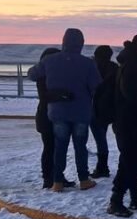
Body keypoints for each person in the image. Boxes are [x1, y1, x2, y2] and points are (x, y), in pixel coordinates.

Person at [27, 28, 101, 192]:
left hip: (58, 112)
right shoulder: (87, 63)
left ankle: (57, 181)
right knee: (80, 147)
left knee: (59, 147)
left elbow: (32, 74)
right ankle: (83, 179)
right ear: (81, 43)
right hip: (81, 112)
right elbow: (96, 85)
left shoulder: (50, 61)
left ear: (63, 41)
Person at [107, 35, 137, 218]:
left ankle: (136, 196)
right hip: (130, 122)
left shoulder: (133, 64)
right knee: (128, 161)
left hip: (134, 122)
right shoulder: (135, 67)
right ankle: (116, 200)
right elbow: (134, 96)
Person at [31, 47, 66, 189]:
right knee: (50, 148)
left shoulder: (53, 74)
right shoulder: (43, 76)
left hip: (54, 116)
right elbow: (44, 96)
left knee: (56, 149)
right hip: (47, 117)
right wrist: (62, 95)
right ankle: (48, 178)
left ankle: (57, 176)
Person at [90, 45, 117, 178]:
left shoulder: (92, 68)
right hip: (109, 109)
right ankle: (102, 167)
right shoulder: (115, 68)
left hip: (94, 108)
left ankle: (102, 167)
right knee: (102, 139)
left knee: (99, 139)